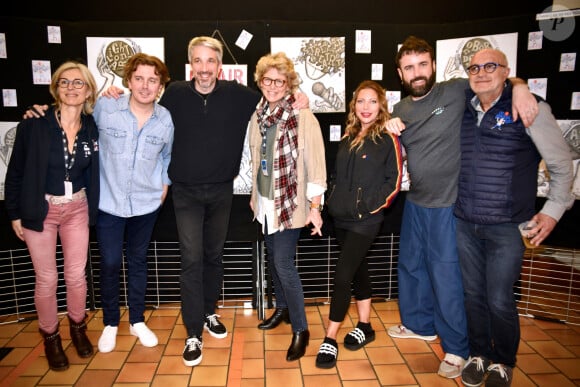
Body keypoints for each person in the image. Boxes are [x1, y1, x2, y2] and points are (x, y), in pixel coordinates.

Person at [102, 36, 308, 366]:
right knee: (191, 258)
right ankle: (193, 332)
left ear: (219, 65)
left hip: (221, 191)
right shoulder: (173, 95)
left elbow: (273, 98)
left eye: (210, 61)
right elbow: (140, 103)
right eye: (197, 61)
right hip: (184, 193)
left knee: (213, 255)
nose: (204, 68)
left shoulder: (239, 97)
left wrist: (298, 97)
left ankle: (209, 311)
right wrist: (114, 94)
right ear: (190, 65)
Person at [385, 36, 539, 379]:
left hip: (448, 205)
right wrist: (386, 124)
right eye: (409, 67)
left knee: (447, 278)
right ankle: (420, 325)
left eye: (423, 64)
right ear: (400, 73)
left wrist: (521, 86)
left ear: (434, 65)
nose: (418, 72)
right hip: (416, 202)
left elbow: (494, 80)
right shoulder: (400, 110)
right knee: (412, 267)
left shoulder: (456, 91)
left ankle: (456, 348)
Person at [456, 49, 574, 387]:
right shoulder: (465, 104)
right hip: (465, 221)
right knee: (473, 295)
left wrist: (552, 213)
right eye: (474, 67)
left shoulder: (529, 107)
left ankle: (504, 361)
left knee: (499, 299)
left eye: (490, 66)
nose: (481, 73)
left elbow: (562, 167)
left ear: (506, 71)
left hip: (507, 226)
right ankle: (479, 354)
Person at [5, 61, 99, 371]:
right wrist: (15, 213)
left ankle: (77, 327)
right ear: (55, 88)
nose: (72, 88)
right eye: (65, 82)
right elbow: (16, 170)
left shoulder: (91, 126)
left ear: (88, 91)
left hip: (77, 208)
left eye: (79, 83)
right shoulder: (34, 123)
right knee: (46, 278)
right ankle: (51, 336)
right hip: (40, 209)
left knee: (75, 275)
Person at [315, 80, 403, 369]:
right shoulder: (348, 135)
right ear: (354, 105)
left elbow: (394, 182)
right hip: (340, 217)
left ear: (381, 106)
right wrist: (331, 201)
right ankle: (365, 326)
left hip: (366, 220)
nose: (366, 107)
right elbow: (337, 176)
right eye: (361, 101)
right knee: (358, 269)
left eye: (372, 102)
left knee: (342, 276)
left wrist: (368, 206)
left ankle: (330, 338)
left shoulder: (388, 136)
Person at [248, 52, 327, 361]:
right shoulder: (258, 115)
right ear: (260, 81)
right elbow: (256, 161)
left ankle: (301, 329)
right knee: (272, 259)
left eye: (280, 81)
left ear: (289, 83)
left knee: (284, 264)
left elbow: (316, 165)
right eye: (268, 80)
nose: (273, 86)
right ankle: (281, 309)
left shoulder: (302, 115)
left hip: (290, 205)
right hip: (266, 203)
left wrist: (315, 207)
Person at [93, 53, 173, 353]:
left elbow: (167, 156)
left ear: (161, 86)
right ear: (128, 80)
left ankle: (137, 320)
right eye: (139, 78)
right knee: (111, 262)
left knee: (138, 262)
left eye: (153, 80)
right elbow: (74, 119)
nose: (145, 85)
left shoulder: (165, 118)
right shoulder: (106, 107)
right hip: (109, 203)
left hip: (146, 203)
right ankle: (111, 323)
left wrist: (164, 185)